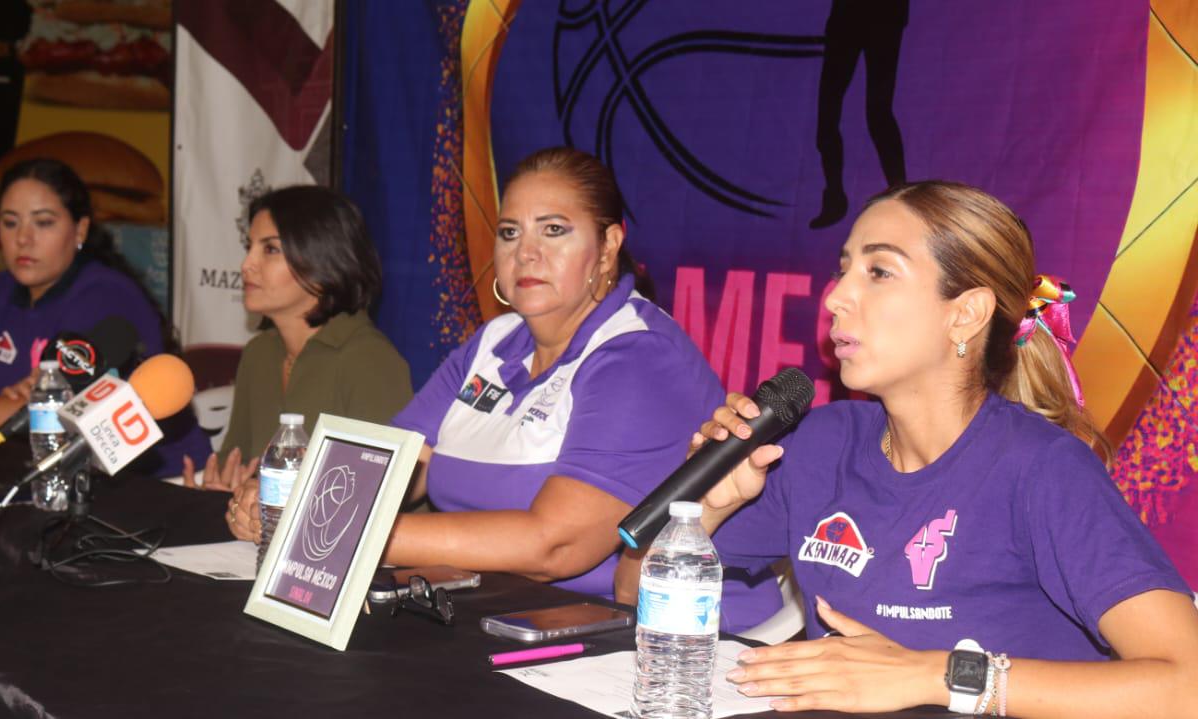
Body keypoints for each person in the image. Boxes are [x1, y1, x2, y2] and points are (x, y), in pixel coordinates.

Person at [658, 181, 1198, 715]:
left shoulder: (1044, 469)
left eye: (879, 272)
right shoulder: (822, 442)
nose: (836, 297)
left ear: (964, 314)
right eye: (843, 269)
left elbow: (1185, 685)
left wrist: (930, 673)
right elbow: (635, 589)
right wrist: (708, 507)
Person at [227, 147, 780, 631]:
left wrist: (333, 530)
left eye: (554, 230)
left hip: (672, 639)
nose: (526, 252)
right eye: (511, 232)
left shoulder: (638, 355)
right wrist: (290, 500)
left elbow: (554, 546)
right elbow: (396, 464)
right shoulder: (494, 341)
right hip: (500, 616)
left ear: (608, 247)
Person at [0, 157, 209, 476]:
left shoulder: (104, 296)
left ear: (80, 229)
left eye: (43, 223)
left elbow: (52, 417)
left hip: (162, 482)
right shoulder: (0, 289)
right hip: (50, 473)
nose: (23, 239)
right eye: (10, 222)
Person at [193, 186, 412, 499]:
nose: (246, 265)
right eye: (249, 246)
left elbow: (372, 500)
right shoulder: (259, 353)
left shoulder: (371, 361)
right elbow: (236, 466)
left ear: (323, 261)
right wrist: (222, 492)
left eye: (270, 250)